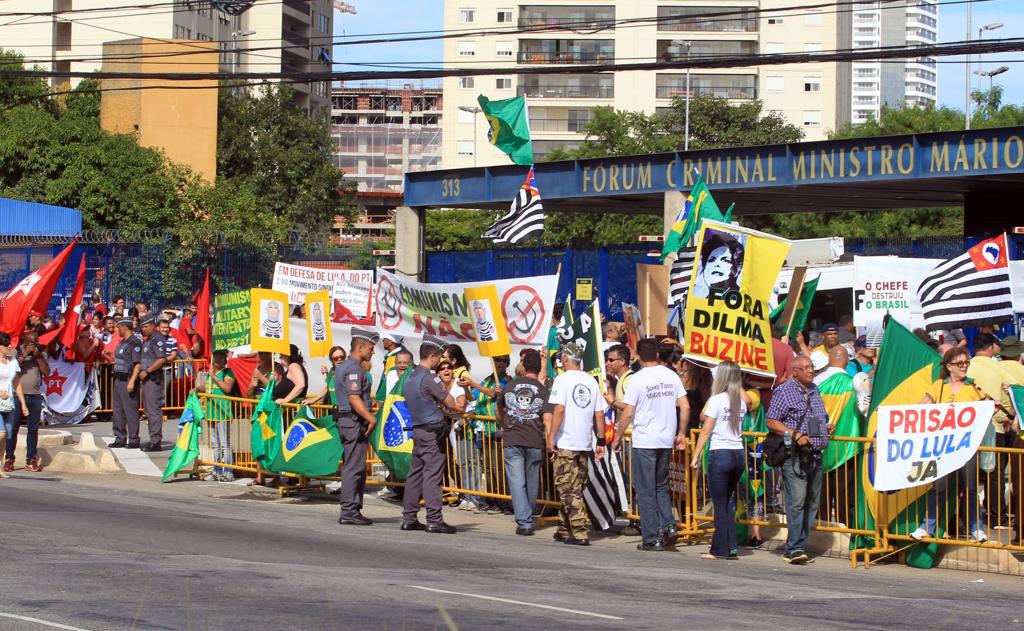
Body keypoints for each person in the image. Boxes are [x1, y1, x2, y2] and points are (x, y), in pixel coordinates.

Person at [612, 338, 689, 551]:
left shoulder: (638, 379)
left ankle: (651, 537)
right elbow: (685, 405)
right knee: (661, 486)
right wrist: (681, 432)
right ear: (656, 355)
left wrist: (617, 437)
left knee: (645, 490)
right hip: (665, 439)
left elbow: (628, 412)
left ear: (638, 355)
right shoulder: (670, 375)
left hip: (645, 439)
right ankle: (668, 525)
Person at [911, 346, 989, 542]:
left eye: (966, 362)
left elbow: (989, 409)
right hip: (942, 448)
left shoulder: (974, 388)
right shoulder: (939, 386)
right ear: (949, 366)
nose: (964, 366)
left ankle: (975, 529)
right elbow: (920, 408)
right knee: (938, 488)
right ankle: (926, 527)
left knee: (970, 488)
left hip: (966, 447)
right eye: (959, 363)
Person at [766, 354, 831, 565]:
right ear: (795, 371)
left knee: (812, 503)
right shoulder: (784, 391)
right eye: (806, 368)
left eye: (812, 367)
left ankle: (800, 544)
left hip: (816, 454)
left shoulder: (814, 390)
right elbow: (771, 421)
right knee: (797, 502)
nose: (811, 370)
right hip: (795, 456)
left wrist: (825, 428)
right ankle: (793, 548)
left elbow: (818, 417)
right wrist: (795, 434)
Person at [547, 342, 607, 547]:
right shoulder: (591, 381)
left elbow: (559, 410)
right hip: (584, 443)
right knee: (575, 486)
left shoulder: (561, 380)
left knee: (568, 489)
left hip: (566, 442)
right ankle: (564, 529)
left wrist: (551, 437)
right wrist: (601, 440)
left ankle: (580, 532)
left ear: (565, 360)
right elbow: (599, 414)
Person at [401, 335, 459, 534]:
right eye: (439, 357)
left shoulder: (410, 376)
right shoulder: (429, 377)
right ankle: (434, 519)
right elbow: (450, 401)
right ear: (432, 356)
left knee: (415, 475)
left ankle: (409, 517)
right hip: (431, 432)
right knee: (432, 475)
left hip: (417, 429)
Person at [691, 361, 746, 560]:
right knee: (727, 502)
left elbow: (706, 431)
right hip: (738, 453)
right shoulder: (741, 400)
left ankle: (719, 549)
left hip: (720, 453)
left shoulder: (716, 400)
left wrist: (696, 455)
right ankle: (730, 546)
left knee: (720, 503)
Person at [965, 332, 1015, 529]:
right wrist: (1010, 416)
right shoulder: (998, 367)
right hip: (995, 427)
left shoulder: (965, 366)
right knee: (994, 474)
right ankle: (996, 518)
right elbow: (1012, 392)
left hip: (968, 428)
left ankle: (966, 519)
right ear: (991, 347)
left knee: (967, 474)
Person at [497, 349, 549, 536]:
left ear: (524, 366)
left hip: (513, 438)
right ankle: (528, 516)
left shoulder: (511, 386)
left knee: (517, 482)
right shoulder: (543, 390)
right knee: (532, 481)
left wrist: (504, 425)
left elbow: (498, 408)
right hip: (535, 439)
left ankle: (525, 521)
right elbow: (548, 419)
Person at [335, 328, 378, 526]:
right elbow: (354, 397)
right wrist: (371, 418)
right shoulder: (353, 369)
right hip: (353, 421)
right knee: (354, 467)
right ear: (360, 348)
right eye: (371, 348)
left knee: (355, 466)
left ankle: (352, 509)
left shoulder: (346, 366)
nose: (373, 352)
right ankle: (349, 510)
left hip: (349, 421)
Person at [461, 354, 512, 515]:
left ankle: (503, 500)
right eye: (498, 360)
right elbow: (472, 397)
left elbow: (495, 394)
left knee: (499, 468)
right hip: (484, 430)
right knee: (488, 468)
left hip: (497, 429)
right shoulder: (487, 380)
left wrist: (473, 383)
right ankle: (492, 499)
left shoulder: (507, 379)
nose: (501, 363)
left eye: (505, 360)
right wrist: (465, 387)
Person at [4, 332, 49, 472]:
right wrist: (24, 356)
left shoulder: (40, 353)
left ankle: (31, 459)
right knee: (13, 428)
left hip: (35, 395)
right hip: (18, 396)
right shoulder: (14, 351)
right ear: (24, 341)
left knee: (33, 429)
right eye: (31, 342)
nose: (33, 345)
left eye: (35, 342)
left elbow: (47, 372)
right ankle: (9, 458)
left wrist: (37, 356)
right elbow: (11, 369)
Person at [201, 350, 236, 482]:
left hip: (223, 412)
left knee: (224, 444)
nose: (218, 359)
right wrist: (195, 389)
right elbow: (205, 387)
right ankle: (216, 470)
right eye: (216, 356)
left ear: (225, 359)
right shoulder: (210, 373)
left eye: (221, 357)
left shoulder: (228, 373)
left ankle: (228, 471)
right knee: (215, 444)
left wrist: (215, 377)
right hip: (211, 412)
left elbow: (227, 388)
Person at [109, 317, 143, 449]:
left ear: (125, 327)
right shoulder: (123, 342)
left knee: (130, 410)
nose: (117, 329)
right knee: (118, 410)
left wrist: (132, 381)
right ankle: (120, 437)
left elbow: (137, 364)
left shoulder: (135, 343)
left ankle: (134, 439)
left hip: (128, 379)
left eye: (119, 327)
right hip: (118, 378)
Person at [138, 313, 168, 452]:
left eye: (145, 326)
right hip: (147, 379)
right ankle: (153, 439)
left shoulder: (157, 339)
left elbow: (161, 359)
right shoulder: (148, 339)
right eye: (142, 326)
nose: (143, 329)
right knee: (149, 411)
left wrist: (148, 371)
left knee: (153, 411)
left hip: (153, 378)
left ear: (152, 326)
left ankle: (156, 442)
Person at [0, 332, 29, 477]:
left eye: (9, 344)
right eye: (6, 345)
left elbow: (17, 383)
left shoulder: (12, 361)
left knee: (7, 436)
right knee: (1, 433)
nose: (9, 347)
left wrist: (23, 404)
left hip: (9, 403)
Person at [692, 231, 744, 299]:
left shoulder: (739, 299)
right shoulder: (696, 296)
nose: (717, 264)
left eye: (725, 260)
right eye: (711, 260)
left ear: (736, 269)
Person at [375, 333, 408, 401]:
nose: (383, 341)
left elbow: (388, 382)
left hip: (389, 399)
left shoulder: (395, 358)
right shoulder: (397, 356)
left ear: (390, 342)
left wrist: (379, 398)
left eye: (384, 339)